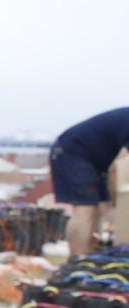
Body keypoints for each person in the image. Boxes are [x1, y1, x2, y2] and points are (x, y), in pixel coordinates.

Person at [49, 108, 129, 257]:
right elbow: (116, 169)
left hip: (96, 158)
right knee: (85, 208)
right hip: (73, 150)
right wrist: (119, 203)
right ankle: (75, 262)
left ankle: (89, 256)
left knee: (101, 209)